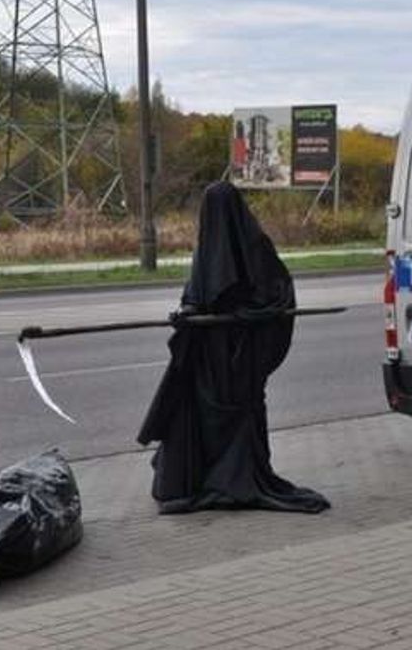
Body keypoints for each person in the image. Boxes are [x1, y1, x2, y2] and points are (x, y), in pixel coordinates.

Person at [136, 182, 330, 514]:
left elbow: (271, 299)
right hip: (220, 355)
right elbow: (200, 297)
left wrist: (235, 316)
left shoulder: (235, 247)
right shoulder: (244, 247)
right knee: (222, 411)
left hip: (236, 355)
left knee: (229, 411)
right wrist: (189, 315)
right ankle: (222, 477)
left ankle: (226, 478)